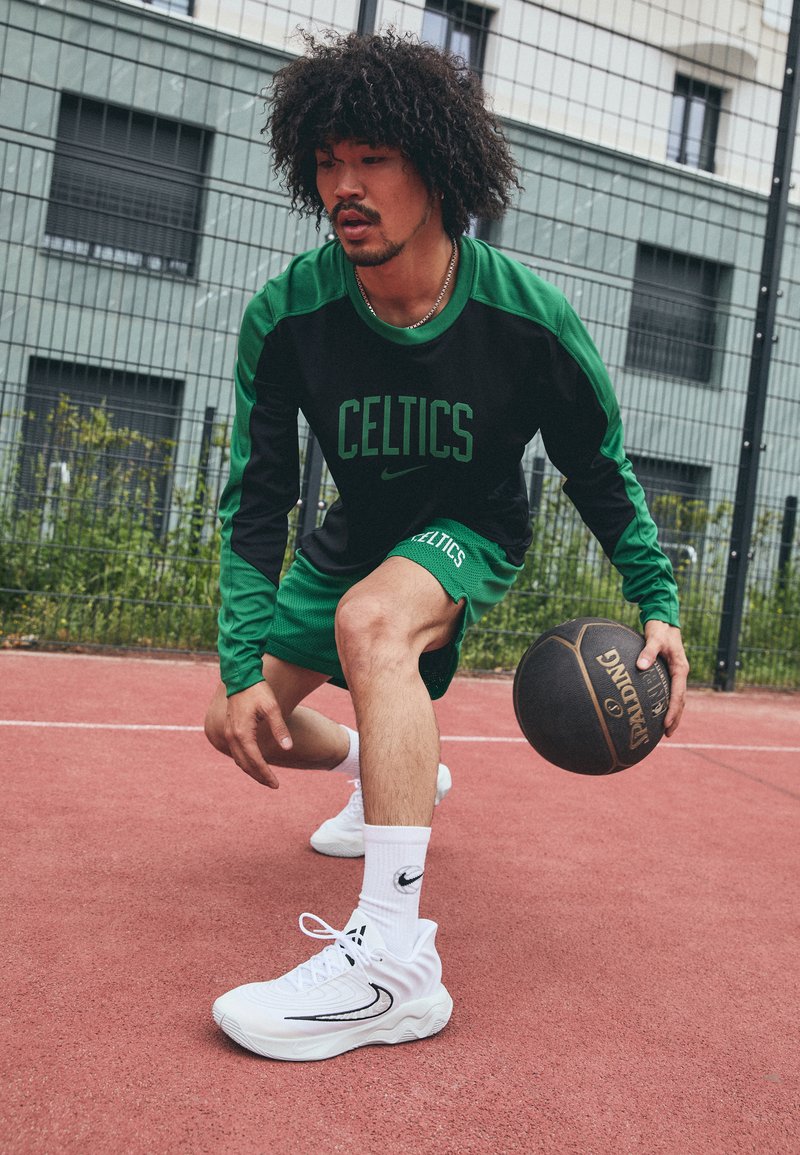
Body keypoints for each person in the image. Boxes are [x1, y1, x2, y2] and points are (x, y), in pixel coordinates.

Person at [205, 30, 689, 1062]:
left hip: (468, 528)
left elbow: (595, 468)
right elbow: (257, 499)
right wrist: (242, 664)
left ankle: (392, 967)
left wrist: (657, 598)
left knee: (371, 622)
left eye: (372, 159)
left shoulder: (525, 322)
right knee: (237, 722)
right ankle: (393, 774)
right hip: (355, 530)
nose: (346, 185)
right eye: (328, 162)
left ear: (436, 166)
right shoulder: (288, 315)